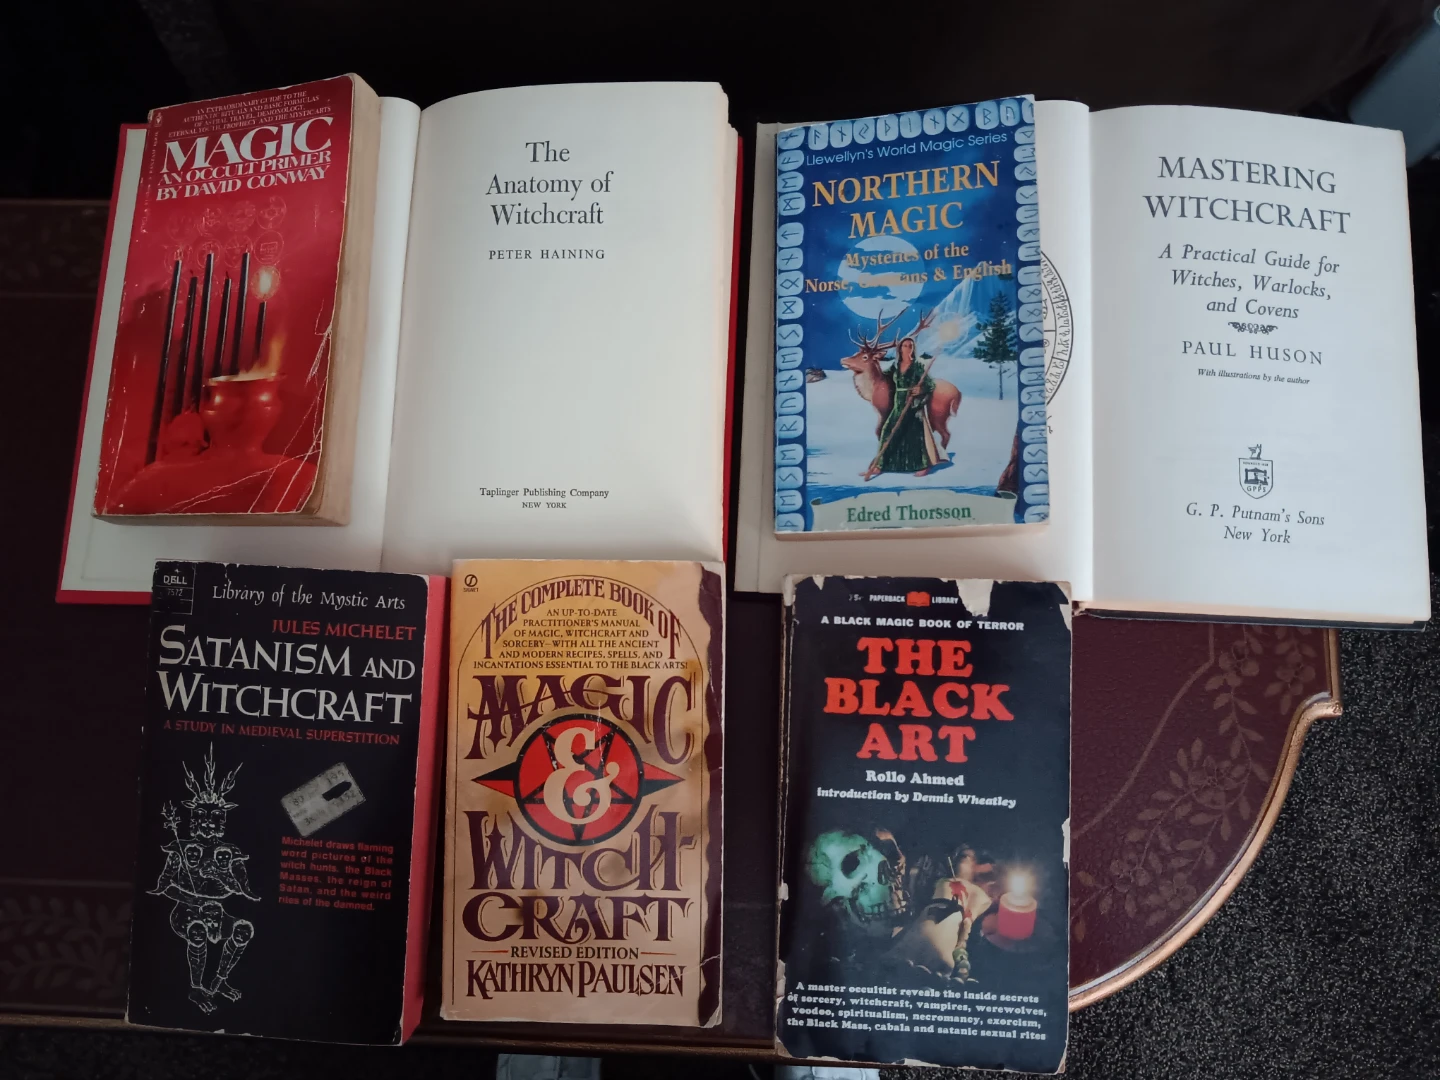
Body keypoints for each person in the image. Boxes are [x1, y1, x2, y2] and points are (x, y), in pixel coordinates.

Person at [863, 337, 938, 480]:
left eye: (910, 346)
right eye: (905, 345)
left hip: (912, 404)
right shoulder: (896, 366)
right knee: (887, 431)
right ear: (900, 349)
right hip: (898, 403)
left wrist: (920, 389)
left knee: (914, 435)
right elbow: (883, 376)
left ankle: (923, 465)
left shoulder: (917, 367)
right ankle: (880, 465)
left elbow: (930, 384)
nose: (908, 348)